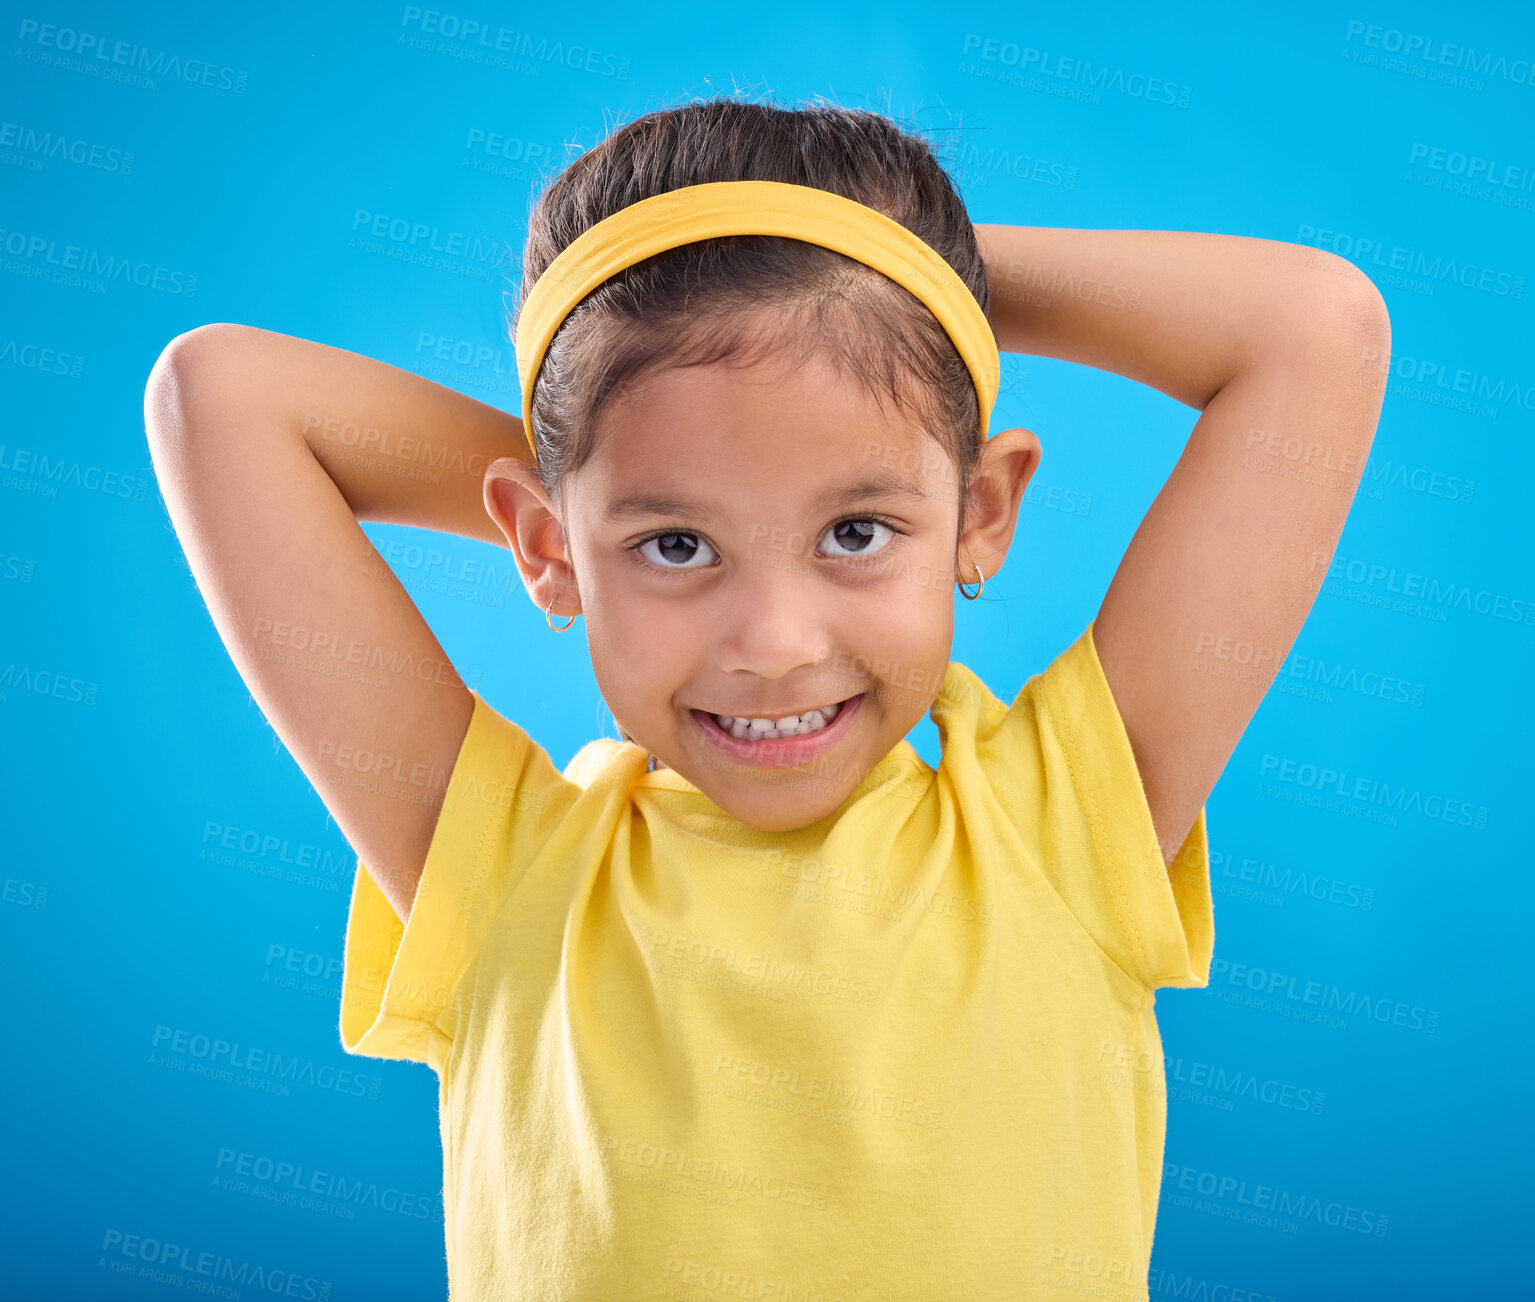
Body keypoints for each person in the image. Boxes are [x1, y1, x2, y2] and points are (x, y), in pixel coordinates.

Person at [144, 94, 1389, 1302]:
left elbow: (1313, 333)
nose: (774, 644)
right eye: (676, 546)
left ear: (982, 512)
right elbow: (220, 398)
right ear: (545, 548)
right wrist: (597, 486)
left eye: (853, 529)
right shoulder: (507, 873)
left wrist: (866, 271)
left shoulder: (1063, 829)